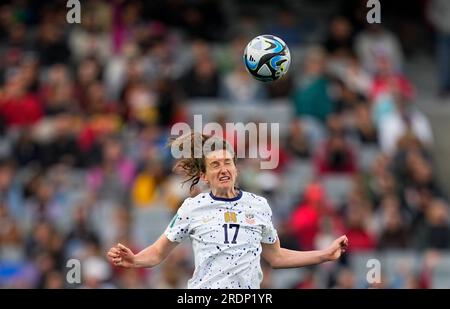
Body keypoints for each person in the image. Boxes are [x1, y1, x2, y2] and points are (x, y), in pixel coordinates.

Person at [107, 132, 348, 289]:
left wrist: (324, 255)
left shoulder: (258, 206)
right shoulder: (193, 207)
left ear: (235, 169)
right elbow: (159, 252)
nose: (223, 169)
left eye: (227, 162)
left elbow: (276, 256)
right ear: (204, 175)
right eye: (215, 165)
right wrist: (135, 260)